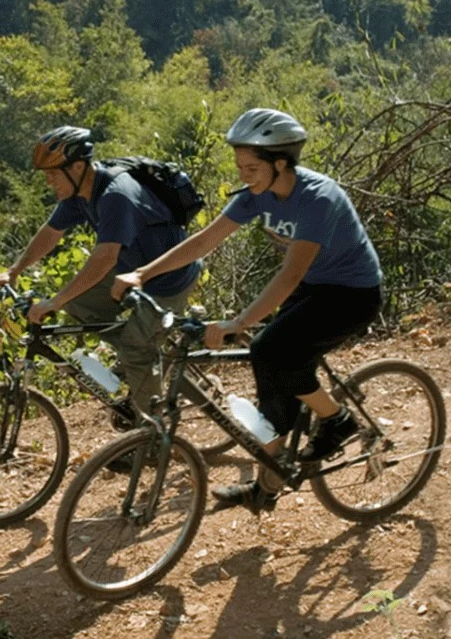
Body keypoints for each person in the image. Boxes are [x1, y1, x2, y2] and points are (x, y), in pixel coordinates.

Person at [111, 108, 383, 513]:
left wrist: (240, 322)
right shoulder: (258, 195)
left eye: (251, 166)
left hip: (352, 293)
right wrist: (143, 273)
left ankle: (337, 420)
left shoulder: (318, 199)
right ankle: (266, 486)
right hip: (314, 288)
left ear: (281, 162)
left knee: (271, 350)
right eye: (239, 165)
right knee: (272, 383)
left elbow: (289, 276)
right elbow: (205, 241)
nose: (243, 174)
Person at [0, 126, 201, 421]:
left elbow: (103, 259)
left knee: (136, 349)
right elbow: (50, 233)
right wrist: (13, 272)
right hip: (131, 271)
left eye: (53, 173)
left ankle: (151, 432)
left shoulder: (115, 194)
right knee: (80, 301)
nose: (49, 182)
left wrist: (54, 302)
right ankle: (142, 359)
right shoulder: (81, 192)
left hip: (168, 278)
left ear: (77, 166)